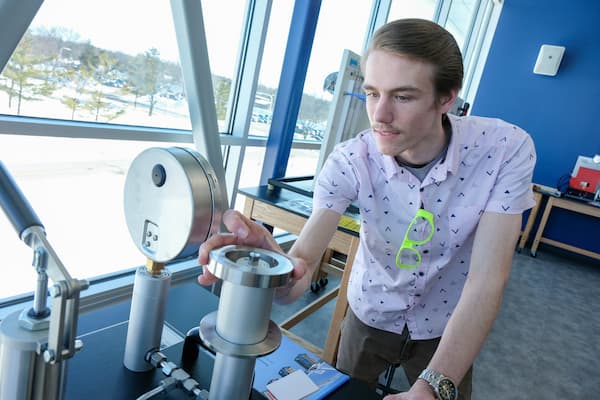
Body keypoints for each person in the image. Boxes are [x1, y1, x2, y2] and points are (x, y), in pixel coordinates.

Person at [198, 18, 536, 400]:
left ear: (447, 98)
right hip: (370, 312)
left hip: (447, 323)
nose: (380, 115)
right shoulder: (350, 160)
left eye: (403, 97)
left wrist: (432, 387)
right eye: (373, 93)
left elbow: (487, 280)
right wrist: (273, 268)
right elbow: (303, 265)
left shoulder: (504, 149)